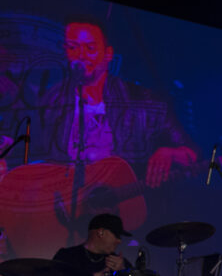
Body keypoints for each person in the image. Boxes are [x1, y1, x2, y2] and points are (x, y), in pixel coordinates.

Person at [37, 17, 197, 187]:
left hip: (118, 205)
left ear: (108, 54)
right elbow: (32, 155)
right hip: (65, 205)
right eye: (73, 47)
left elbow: (193, 155)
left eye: (90, 48)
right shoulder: (51, 100)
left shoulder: (141, 101)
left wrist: (169, 153)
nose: (81, 55)